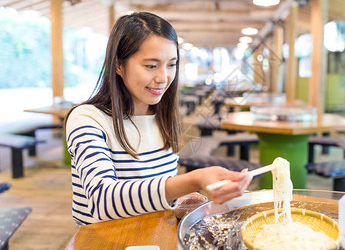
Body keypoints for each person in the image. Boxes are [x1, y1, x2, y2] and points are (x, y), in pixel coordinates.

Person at [65, 12, 252, 225]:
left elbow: (153, 190)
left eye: (171, 64)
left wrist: (180, 199)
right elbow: (103, 201)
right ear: (118, 65)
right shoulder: (87, 119)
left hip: (152, 237)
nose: (163, 78)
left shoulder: (161, 117)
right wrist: (193, 179)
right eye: (151, 66)